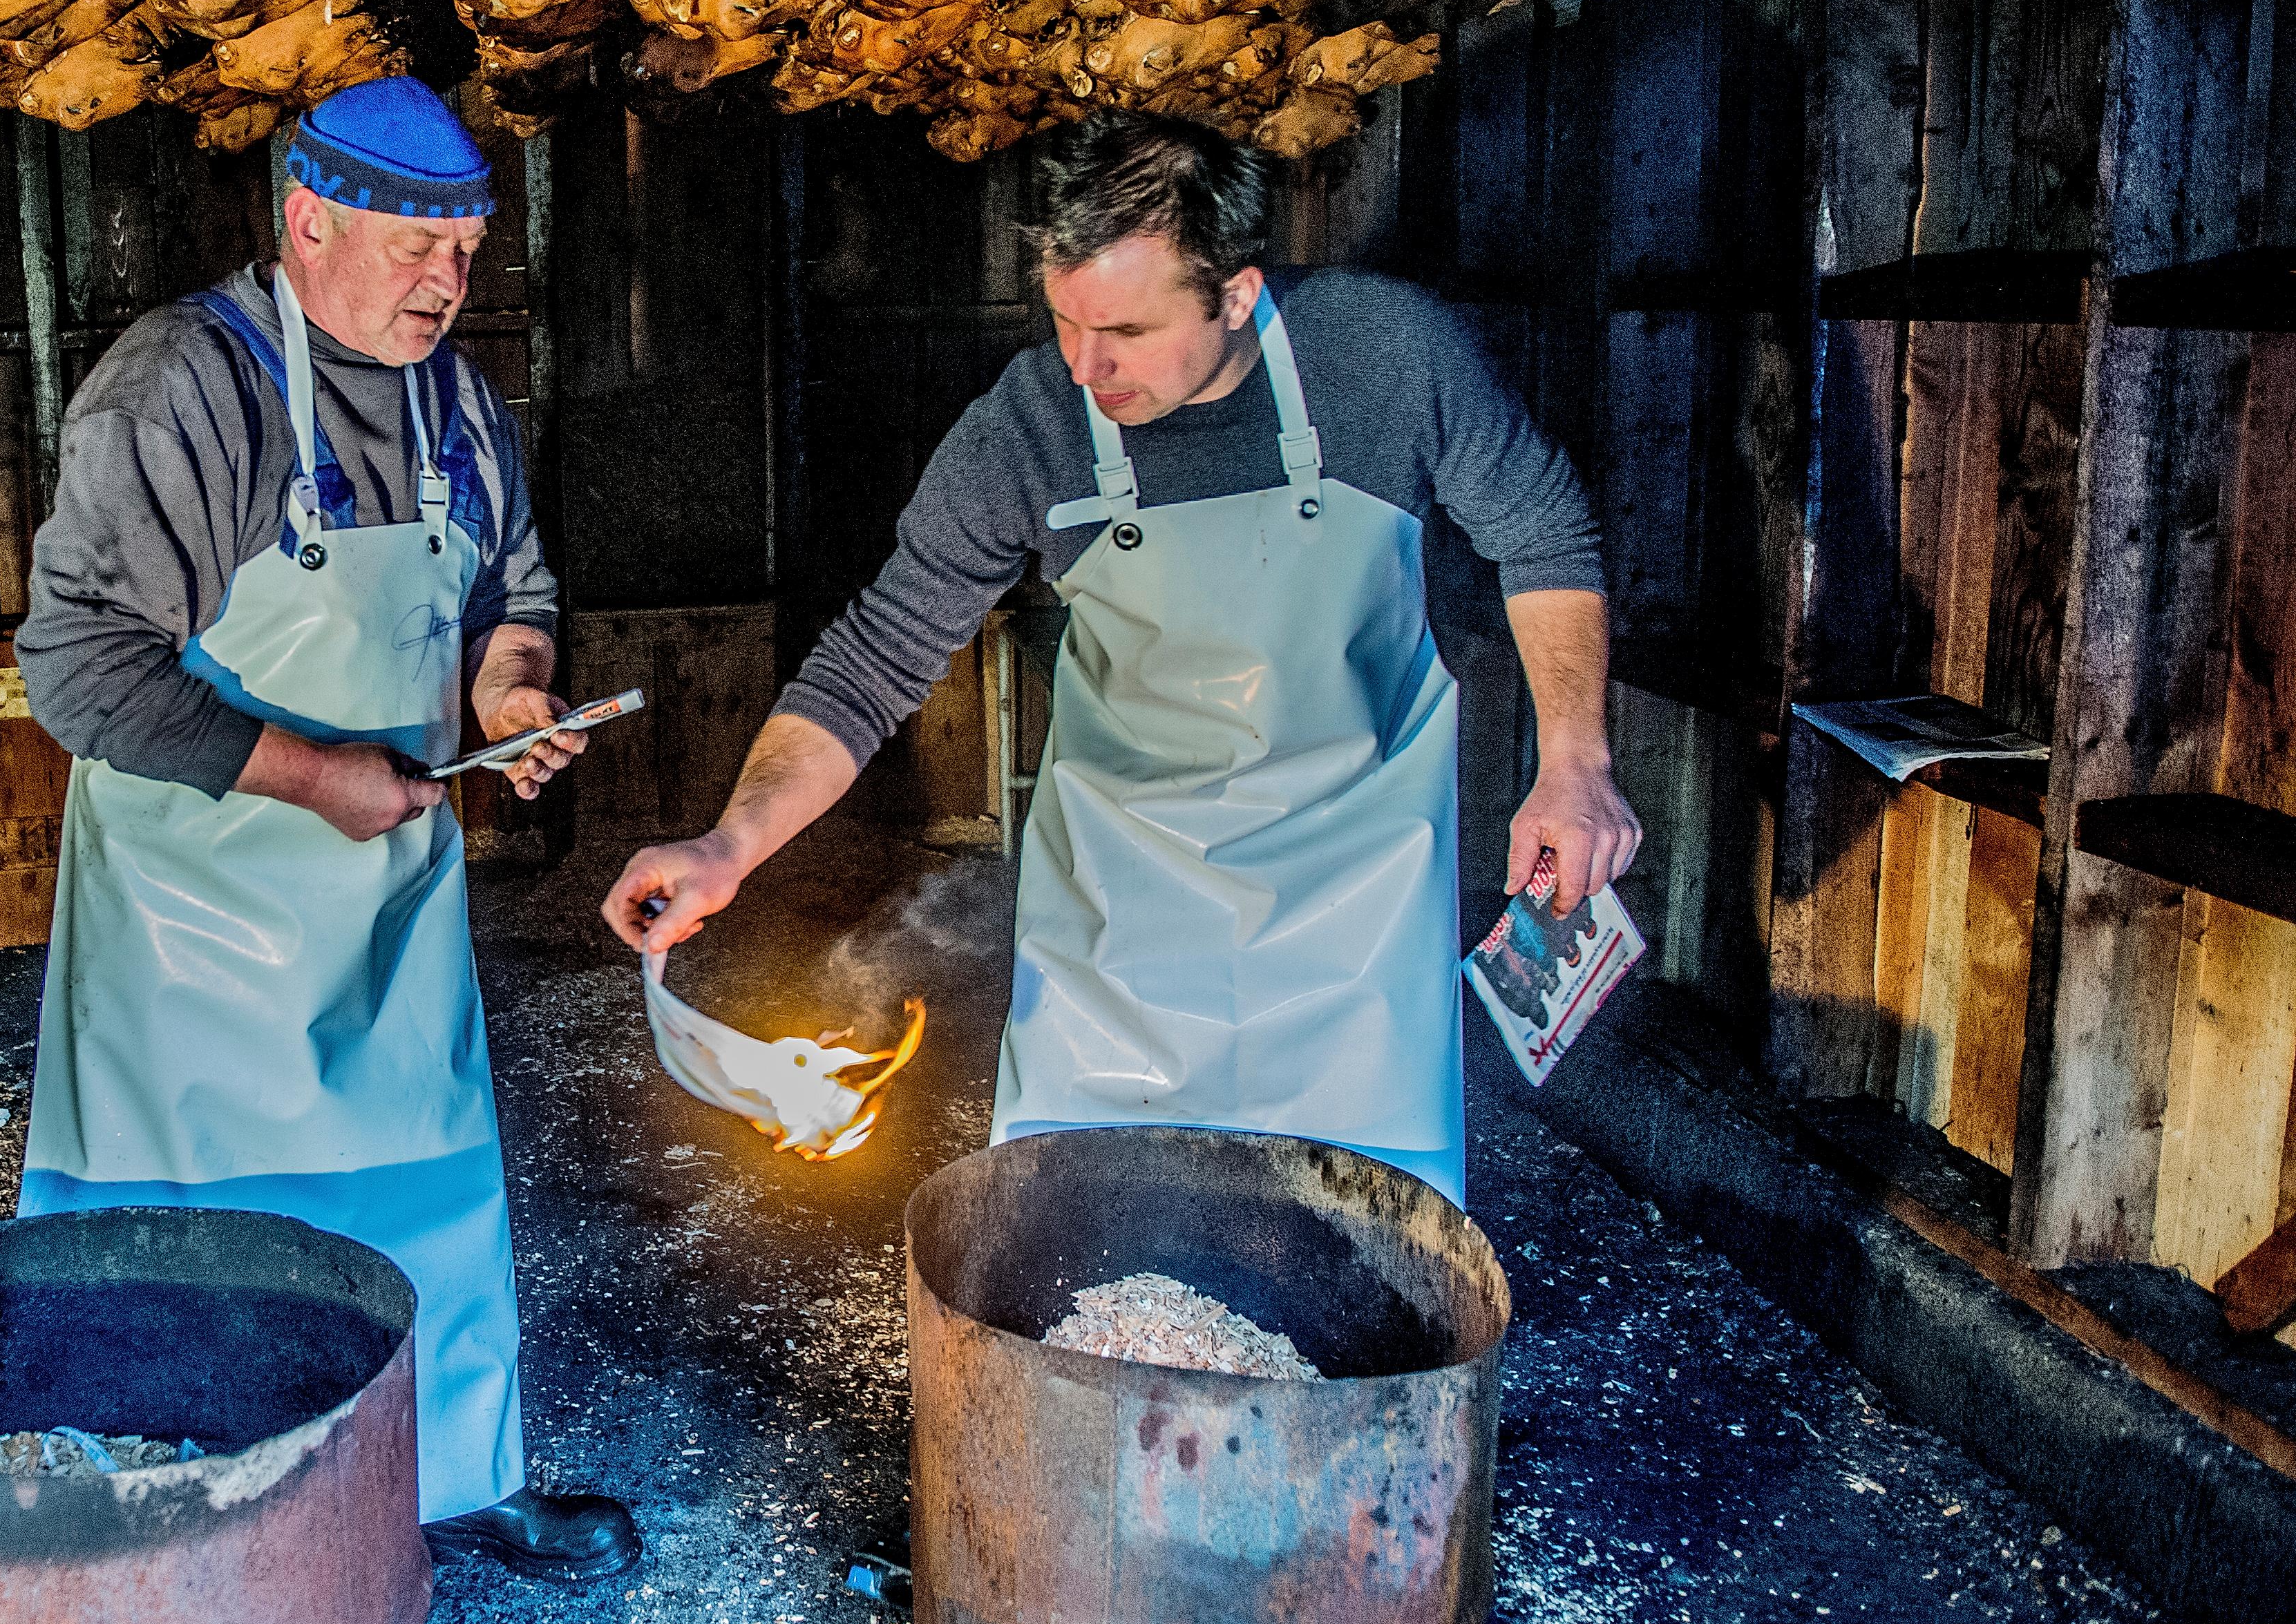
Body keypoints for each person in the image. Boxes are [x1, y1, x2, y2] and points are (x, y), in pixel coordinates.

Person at [603, 113, 1642, 1205]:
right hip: (1115, 950)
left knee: (1357, 1277)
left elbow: (1542, 531)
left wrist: (1576, 758)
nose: (1087, 366)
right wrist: (734, 841)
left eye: (1130, 334)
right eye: (1065, 321)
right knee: (1083, 1270)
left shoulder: (1385, 356)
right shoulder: (1032, 424)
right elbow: (874, 657)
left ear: (1236, 295)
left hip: (1357, 937)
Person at [15, 77, 640, 1579]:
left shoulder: (464, 404)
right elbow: (77, 666)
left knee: (422, 1188)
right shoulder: (179, 389)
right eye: (416, 251)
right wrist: (314, 775)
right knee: (189, 1236)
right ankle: (158, 1518)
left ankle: (450, 1476)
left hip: (382, 911)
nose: (449, 286)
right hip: (192, 934)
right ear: (306, 223)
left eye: (468, 254)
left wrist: (510, 689)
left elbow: (511, 592)